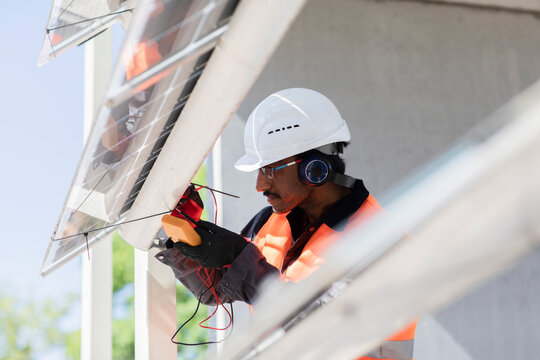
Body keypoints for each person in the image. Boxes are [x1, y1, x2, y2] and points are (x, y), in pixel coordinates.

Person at [156, 88, 416, 360]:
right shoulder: (269, 223)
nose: (260, 185)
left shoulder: (381, 241)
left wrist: (238, 257)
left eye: (269, 169)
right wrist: (188, 244)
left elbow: (315, 331)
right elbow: (218, 289)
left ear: (315, 168)